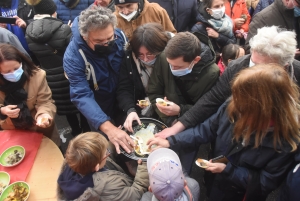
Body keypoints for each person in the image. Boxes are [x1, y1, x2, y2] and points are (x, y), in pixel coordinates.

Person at [148, 64, 300, 201]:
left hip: (240, 193)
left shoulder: (286, 140)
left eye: (243, 102)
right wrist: (171, 141)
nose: (236, 104)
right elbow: (205, 129)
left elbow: (266, 182)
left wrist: (228, 170)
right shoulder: (234, 105)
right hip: (216, 181)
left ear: (263, 109)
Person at [154, 26, 300, 146]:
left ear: (284, 66)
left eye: (260, 67)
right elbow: (212, 100)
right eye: (252, 61)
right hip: (231, 140)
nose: (251, 69)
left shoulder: (297, 75)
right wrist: (177, 127)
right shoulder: (238, 66)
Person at [63, 6, 134, 153]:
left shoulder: (119, 37)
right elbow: (81, 94)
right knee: (106, 139)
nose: (107, 44)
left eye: (110, 38)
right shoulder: (73, 56)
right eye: (100, 41)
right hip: (96, 101)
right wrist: (107, 127)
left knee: (131, 134)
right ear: (85, 36)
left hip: (122, 94)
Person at [25, 0, 90, 136]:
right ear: (53, 12)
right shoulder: (63, 29)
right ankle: (86, 128)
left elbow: (33, 55)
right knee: (79, 101)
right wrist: (69, 31)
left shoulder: (28, 31)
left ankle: (75, 130)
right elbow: (73, 53)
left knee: (65, 106)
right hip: (68, 73)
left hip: (48, 75)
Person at [148, 31, 219, 127]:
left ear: (196, 60)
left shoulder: (212, 74)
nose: (172, 69)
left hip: (193, 127)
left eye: (178, 67)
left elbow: (208, 109)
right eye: (170, 64)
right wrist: (170, 119)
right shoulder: (165, 57)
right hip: (167, 123)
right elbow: (154, 92)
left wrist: (180, 110)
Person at [57, 132, 149, 200]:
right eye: (106, 152)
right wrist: (144, 164)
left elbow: (99, 152)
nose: (107, 153)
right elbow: (136, 193)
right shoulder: (108, 186)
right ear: (96, 167)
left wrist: (115, 140)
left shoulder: (76, 160)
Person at [116, 23, 172, 133]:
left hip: (167, 110)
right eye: (140, 54)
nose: (145, 59)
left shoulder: (171, 58)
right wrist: (130, 110)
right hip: (141, 111)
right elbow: (124, 88)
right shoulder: (129, 59)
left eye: (150, 54)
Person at [0, 44, 59, 145]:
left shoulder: (37, 76)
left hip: (39, 129)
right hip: (14, 133)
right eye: (7, 72)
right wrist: (2, 110)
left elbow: (45, 101)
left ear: (21, 63)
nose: (13, 73)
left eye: (16, 68)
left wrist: (43, 114)